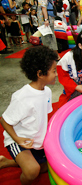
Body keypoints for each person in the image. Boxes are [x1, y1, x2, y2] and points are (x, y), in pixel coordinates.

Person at [0, 45, 58, 185]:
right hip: (18, 140)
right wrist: (17, 139)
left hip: (35, 141)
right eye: (54, 71)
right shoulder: (23, 97)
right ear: (40, 74)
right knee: (32, 171)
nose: (57, 74)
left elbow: (43, 116)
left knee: (44, 168)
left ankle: (5, 162)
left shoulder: (47, 91)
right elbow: (4, 120)